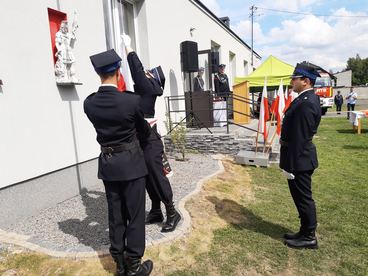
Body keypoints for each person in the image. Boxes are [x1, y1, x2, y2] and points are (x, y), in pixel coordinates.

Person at [84, 49, 153, 276]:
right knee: (134, 214)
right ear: (117, 71)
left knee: (115, 214)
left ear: (97, 73)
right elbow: (143, 131)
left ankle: (119, 262)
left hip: (108, 163)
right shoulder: (131, 101)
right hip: (131, 163)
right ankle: (133, 265)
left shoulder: (89, 103)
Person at [122, 34, 181, 233]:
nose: (144, 73)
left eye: (148, 73)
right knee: (147, 177)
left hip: (149, 141)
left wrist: (129, 48)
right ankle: (156, 210)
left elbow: (136, 71)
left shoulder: (147, 89)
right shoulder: (145, 90)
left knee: (157, 177)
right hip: (144, 139)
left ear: (151, 80)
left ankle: (172, 212)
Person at [279, 62, 322, 249]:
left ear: (305, 81)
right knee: (300, 197)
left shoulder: (306, 103)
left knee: (304, 198)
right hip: (299, 157)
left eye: (295, 78)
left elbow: (300, 138)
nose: (292, 81)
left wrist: (290, 165)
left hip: (299, 159)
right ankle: (304, 231)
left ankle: (309, 236)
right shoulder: (304, 99)